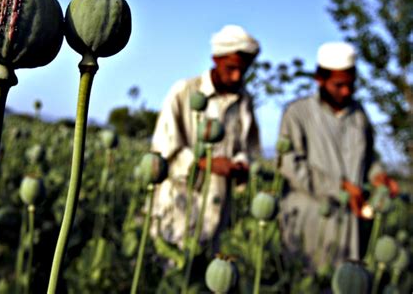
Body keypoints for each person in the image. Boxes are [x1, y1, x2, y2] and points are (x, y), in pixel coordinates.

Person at [278, 41, 399, 271]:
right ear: (319, 79)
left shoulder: (359, 115)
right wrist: (340, 187)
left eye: (351, 85)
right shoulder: (297, 113)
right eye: (339, 85)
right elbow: (291, 166)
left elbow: (369, 158)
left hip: (349, 225)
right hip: (308, 222)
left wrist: (379, 176)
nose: (346, 92)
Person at [149, 25, 261, 254]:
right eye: (231, 68)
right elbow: (163, 147)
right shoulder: (185, 91)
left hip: (218, 209)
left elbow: (248, 147)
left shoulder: (244, 100)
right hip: (179, 205)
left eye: (244, 70)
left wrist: (240, 165)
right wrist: (206, 163)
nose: (237, 76)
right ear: (215, 59)